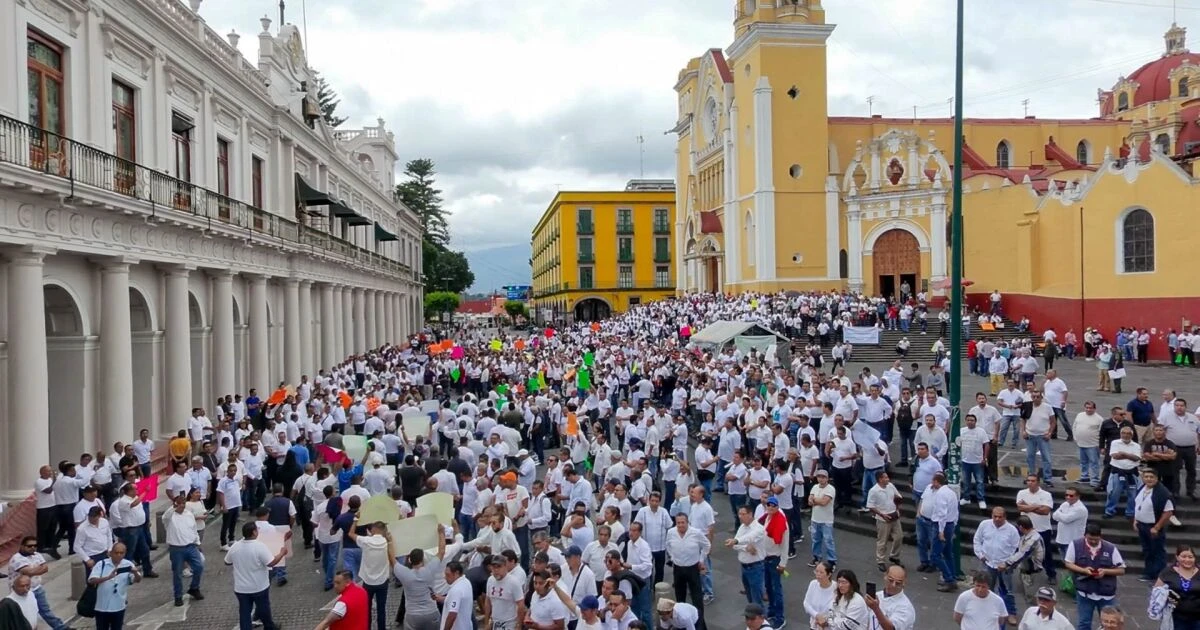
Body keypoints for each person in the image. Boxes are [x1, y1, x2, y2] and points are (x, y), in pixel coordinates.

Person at [223, 522, 289, 630]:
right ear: (254, 532)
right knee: (264, 609)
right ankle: (269, 627)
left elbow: (227, 562)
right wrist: (281, 553)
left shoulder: (235, 546)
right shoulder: (259, 546)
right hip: (259, 586)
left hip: (241, 588)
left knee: (244, 612)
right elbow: (271, 562)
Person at [1063, 523, 1124, 630]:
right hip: (1084, 593)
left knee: (1110, 624)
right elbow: (1068, 563)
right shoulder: (1075, 545)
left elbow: (1121, 570)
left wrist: (1105, 571)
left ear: (1101, 537)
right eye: (1090, 539)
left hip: (1106, 594)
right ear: (1085, 535)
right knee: (1084, 623)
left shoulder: (1110, 548)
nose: (1093, 542)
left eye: (1096, 539)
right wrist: (1083, 570)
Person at [7, 536, 72, 630]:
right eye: (29, 546)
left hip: (37, 588)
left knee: (46, 611)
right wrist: (38, 569)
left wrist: (34, 570)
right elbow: (28, 572)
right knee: (24, 613)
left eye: (35, 545)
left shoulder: (37, 554)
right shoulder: (17, 558)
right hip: (21, 592)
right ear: (22, 546)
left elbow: (45, 568)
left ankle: (61, 628)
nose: (33, 548)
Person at [973, 507, 1021, 625]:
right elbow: (977, 540)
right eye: (995, 516)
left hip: (1004, 566)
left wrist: (1007, 562)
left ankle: (1010, 613)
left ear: (1005, 517)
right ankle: (986, 610)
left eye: (1000, 517)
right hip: (987, 563)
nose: (997, 519)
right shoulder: (984, 525)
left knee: (1007, 590)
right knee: (985, 587)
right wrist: (980, 555)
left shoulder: (1012, 530)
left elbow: (1016, 549)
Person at [346, 519, 395, 630]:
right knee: (381, 608)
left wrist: (354, 520)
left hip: (368, 581)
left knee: (366, 608)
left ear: (373, 529)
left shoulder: (366, 541)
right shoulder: (387, 542)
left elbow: (350, 534)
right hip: (383, 581)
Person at [164, 493, 205, 607]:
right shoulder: (170, 517)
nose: (182, 506)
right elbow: (165, 517)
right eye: (179, 504)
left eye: (183, 503)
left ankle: (194, 588)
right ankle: (178, 596)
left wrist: (197, 543)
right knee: (177, 573)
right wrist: (174, 507)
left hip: (190, 546)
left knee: (199, 567)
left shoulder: (189, 514)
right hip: (176, 549)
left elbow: (193, 529)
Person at [87, 542, 140, 630]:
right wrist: (108, 577)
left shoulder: (128, 564)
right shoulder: (101, 564)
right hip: (102, 607)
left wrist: (135, 573)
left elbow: (136, 580)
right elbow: (91, 580)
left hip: (119, 606)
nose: (118, 555)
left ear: (125, 553)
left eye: (121, 553)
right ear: (111, 553)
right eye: (116, 553)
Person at [1134, 468, 1174, 582]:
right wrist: (1135, 520)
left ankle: (1159, 574)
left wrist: (1157, 527)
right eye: (1146, 477)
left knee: (1157, 551)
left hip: (1154, 527)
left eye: (1151, 477)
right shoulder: (1142, 488)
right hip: (1142, 525)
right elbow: (1138, 505)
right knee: (1147, 550)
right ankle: (1149, 572)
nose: (1149, 479)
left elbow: (1168, 512)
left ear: (1157, 478)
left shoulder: (1163, 493)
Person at [666, 513, 709, 615]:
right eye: (678, 523)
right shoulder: (671, 532)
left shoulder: (696, 533)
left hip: (692, 568)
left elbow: (706, 545)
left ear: (687, 522)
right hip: (678, 568)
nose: (680, 525)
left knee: (697, 597)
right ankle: (682, 620)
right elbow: (668, 545)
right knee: (679, 596)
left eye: (683, 522)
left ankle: (699, 623)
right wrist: (672, 557)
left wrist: (701, 560)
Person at [1154, 545, 1200, 629]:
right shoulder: (1168, 572)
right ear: (1177, 557)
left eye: (1190, 557)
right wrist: (1166, 597)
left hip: (1197, 618)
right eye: (1183, 556)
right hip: (1175, 618)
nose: (1187, 560)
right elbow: (1156, 591)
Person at [865, 471, 902, 572]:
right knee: (882, 541)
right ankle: (880, 560)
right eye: (885, 478)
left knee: (899, 537)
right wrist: (882, 514)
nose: (888, 479)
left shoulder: (890, 486)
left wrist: (897, 510)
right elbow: (870, 506)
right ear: (880, 479)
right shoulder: (874, 491)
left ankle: (894, 555)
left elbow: (898, 497)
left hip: (894, 516)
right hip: (882, 519)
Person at [864, 565, 916, 630]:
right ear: (885, 576)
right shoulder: (877, 595)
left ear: (904, 583)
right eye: (891, 580)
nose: (893, 585)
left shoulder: (906, 608)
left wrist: (876, 608)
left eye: (898, 583)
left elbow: (891, 628)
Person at [808, 470, 837, 568]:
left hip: (826, 520)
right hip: (815, 519)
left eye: (823, 477)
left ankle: (832, 561)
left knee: (828, 541)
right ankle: (816, 557)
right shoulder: (815, 487)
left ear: (827, 478)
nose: (821, 479)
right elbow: (809, 501)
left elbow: (824, 502)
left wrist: (814, 500)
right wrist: (816, 500)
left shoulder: (831, 489)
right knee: (815, 540)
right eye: (819, 476)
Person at [804, 561, 837, 630]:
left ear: (829, 574)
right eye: (816, 571)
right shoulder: (813, 584)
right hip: (814, 625)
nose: (818, 574)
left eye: (821, 572)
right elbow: (806, 603)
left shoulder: (836, 588)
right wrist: (817, 615)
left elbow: (838, 609)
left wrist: (825, 621)